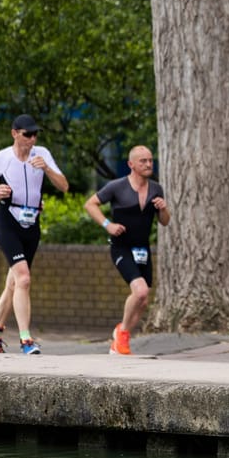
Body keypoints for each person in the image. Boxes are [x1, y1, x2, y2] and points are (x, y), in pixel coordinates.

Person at [0, 114, 69, 355]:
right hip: (8, 221)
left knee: (14, 283)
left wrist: (46, 168)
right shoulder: (1, 158)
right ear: (15, 133)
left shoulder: (43, 154)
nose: (32, 139)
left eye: (35, 134)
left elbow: (64, 186)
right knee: (24, 278)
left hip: (32, 223)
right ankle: (26, 340)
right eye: (27, 134)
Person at [83, 145, 170, 355]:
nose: (148, 164)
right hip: (121, 247)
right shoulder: (116, 187)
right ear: (131, 164)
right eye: (143, 161)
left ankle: (121, 334)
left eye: (150, 160)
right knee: (139, 291)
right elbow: (90, 204)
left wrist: (164, 208)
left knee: (143, 299)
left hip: (142, 250)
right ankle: (122, 337)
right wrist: (108, 225)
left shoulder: (156, 189)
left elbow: (165, 222)